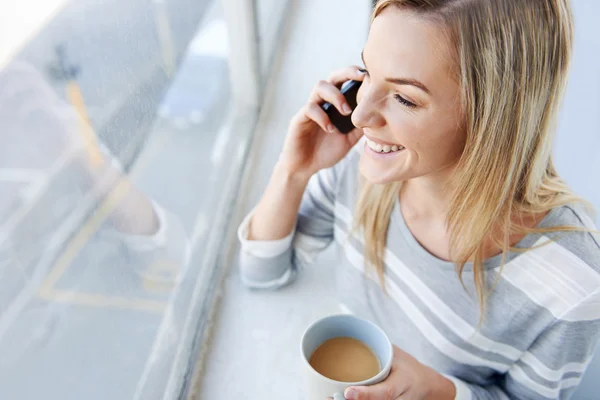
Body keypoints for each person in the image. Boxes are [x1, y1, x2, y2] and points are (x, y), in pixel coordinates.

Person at [238, 0, 600, 399]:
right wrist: (294, 171)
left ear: (495, 114)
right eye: (367, 73)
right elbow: (263, 272)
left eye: (405, 98)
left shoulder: (573, 279)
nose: (359, 117)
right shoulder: (361, 162)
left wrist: (441, 392)